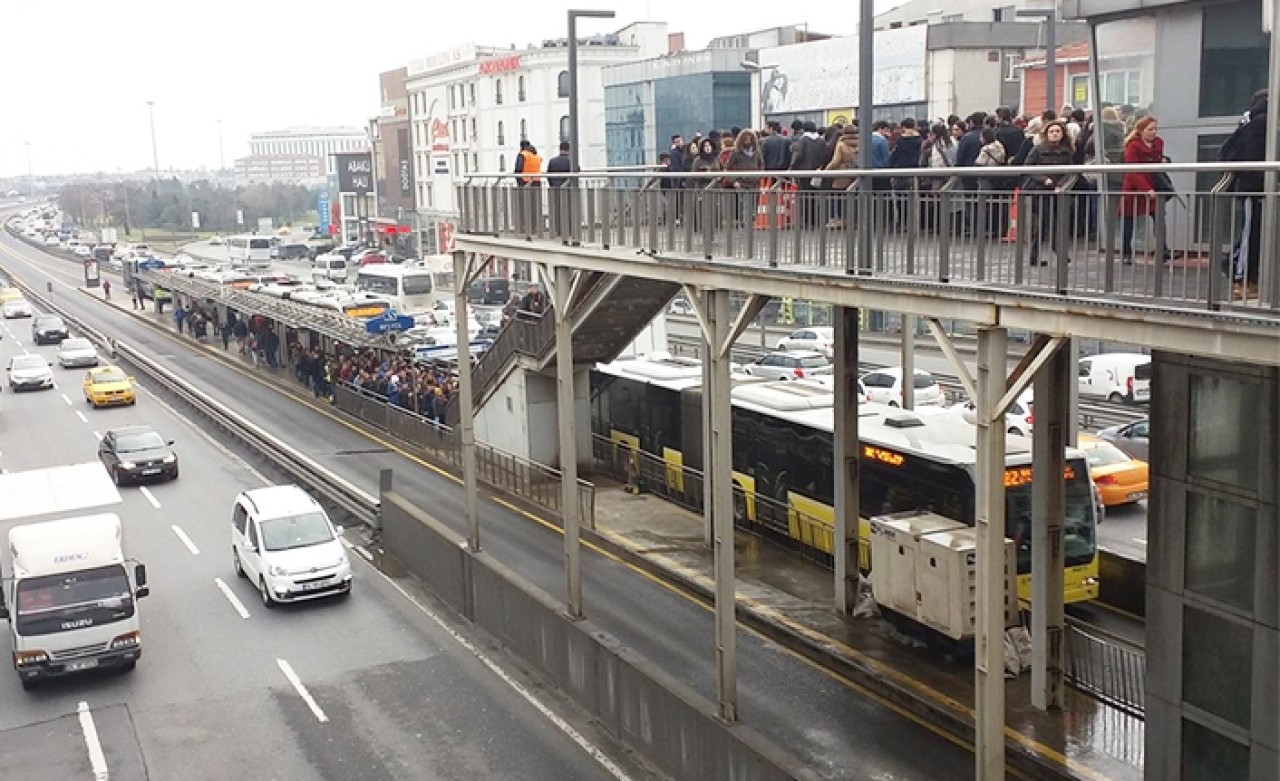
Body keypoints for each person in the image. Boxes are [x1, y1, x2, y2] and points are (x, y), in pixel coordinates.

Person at [1221, 89, 1267, 298]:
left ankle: (1242, 272)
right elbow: (1253, 157)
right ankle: (1242, 278)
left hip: (1259, 187)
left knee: (1256, 232)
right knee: (1252, 232)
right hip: (1255, 187)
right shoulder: (1259, 123)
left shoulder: (1251, 122)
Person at [1023, 119, 1076, 267]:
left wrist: (1061, 185)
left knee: (1049, 223)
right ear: (1046, 134)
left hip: (1058, 191)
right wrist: (1043, 179)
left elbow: (1070, 171)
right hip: (1040, 191)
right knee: (1048, 222)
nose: (1054, 134)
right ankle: (1056, 250)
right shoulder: (1038, 149)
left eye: (1057, 131)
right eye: (1051, 131)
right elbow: (1028, 168)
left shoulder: (1067, 151)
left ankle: (1037, 254)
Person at [1118, 115, 1168, 265]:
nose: (1153, 132)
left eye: (1155, 129)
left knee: (1159, 219)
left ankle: (1162, 250)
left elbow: (1158, 162)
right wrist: (1147, 189)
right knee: (1129, 220)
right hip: (1134, 187)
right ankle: (1126, 252)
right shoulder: (1133, 145)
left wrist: (1165, 161)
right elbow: (1133, 171)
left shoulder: (1159, 143)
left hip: (1152, 184)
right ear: (1141, 131)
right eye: (1150, 129)